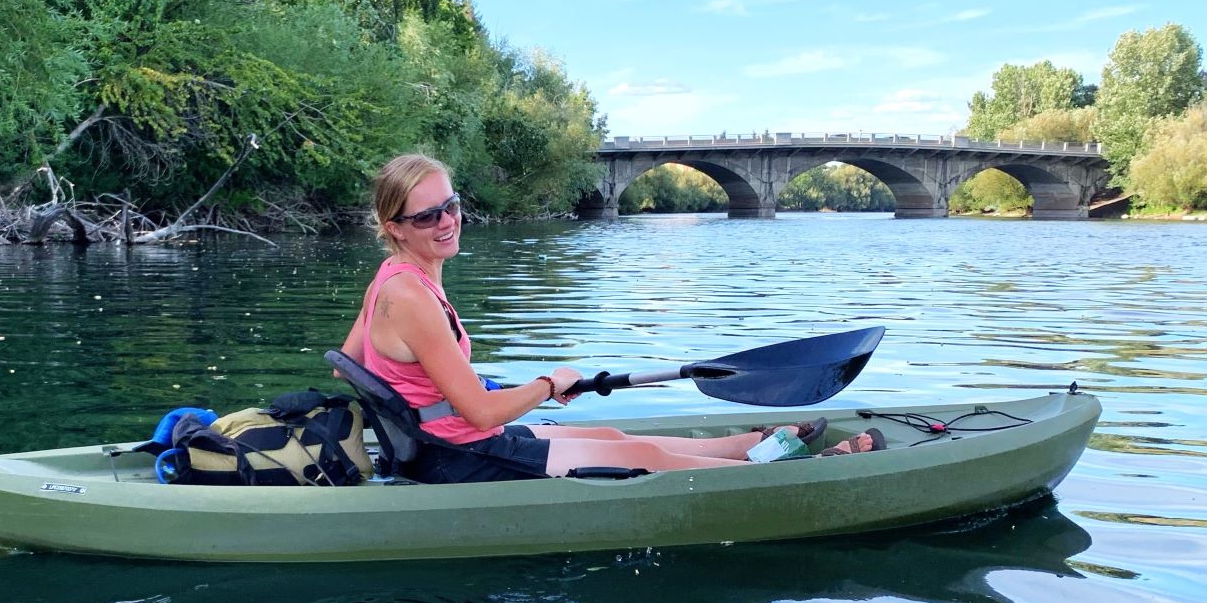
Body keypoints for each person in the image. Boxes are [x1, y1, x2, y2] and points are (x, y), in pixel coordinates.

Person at [339, 154, 878, 484]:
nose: (447, 221)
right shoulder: (409, 297)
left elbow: (351, 368)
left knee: (610, 432)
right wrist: (548, 384)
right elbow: (479, 414)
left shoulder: (392, 276)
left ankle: (756, 444)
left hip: (449, 442)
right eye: (427, 215)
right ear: (397, 226)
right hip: (459, 457)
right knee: (638, 454)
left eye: (450, 206)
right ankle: (794, 475)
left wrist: (430, 396)